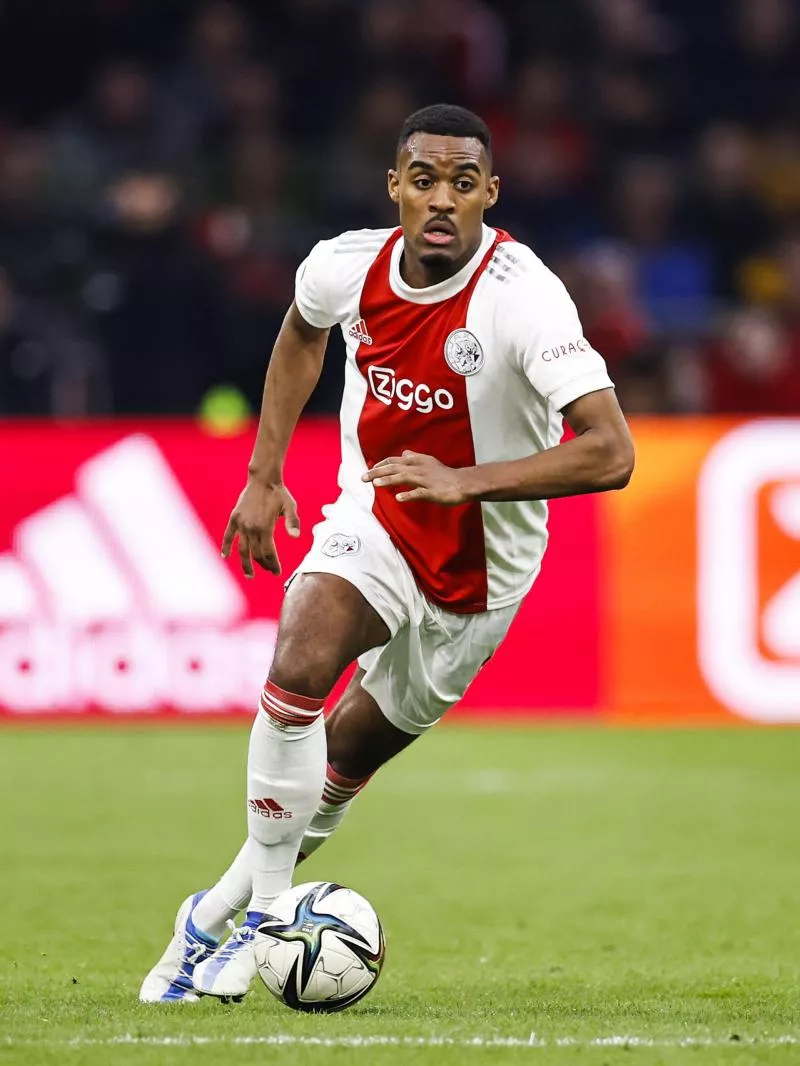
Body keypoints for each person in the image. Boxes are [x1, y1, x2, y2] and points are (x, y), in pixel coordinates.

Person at [139, 103, 634, 1003]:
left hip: (482, 576)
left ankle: (208, 918)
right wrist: (263, 473)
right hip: (376, 516)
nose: (441, 199)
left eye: (461, 183)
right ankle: (271, 921)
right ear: (395, 188)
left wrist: (466, 482)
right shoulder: (344, 265)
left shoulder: (523, 296)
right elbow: (300, 330)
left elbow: (611, 450)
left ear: (490, 193)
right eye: (423, 180)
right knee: (299, 660)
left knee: (337, 771)